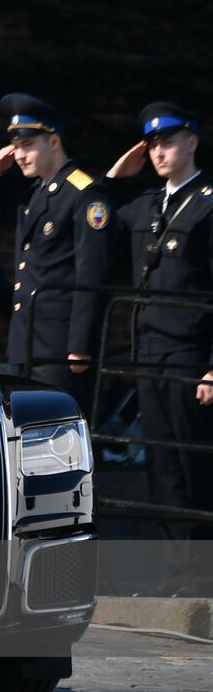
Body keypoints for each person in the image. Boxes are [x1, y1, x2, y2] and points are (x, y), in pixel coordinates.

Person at [105, 103, 213, 592]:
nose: (158, 152)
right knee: (161, 464)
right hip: (149, 348)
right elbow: (99, 212)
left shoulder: (209, 203)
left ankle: (200, 571)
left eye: (168, 141)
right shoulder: (147, 205)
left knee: (194, 461)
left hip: (191, 351)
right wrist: (119, 170)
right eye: (151, 145)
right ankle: (174, 568)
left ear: (192, 141)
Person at [0, 93, 113, 412]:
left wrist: (79, 346)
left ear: (53, 142)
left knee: (58, 436)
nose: (20, 156)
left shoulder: (84, 194)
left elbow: (91, 275)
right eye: (17, 147)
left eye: (27, 146)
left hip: (59, 345)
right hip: (25, 341)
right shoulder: (35, 194)